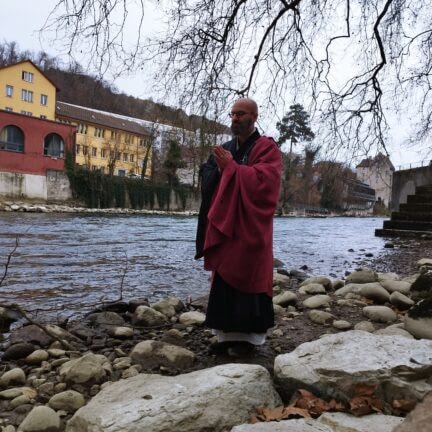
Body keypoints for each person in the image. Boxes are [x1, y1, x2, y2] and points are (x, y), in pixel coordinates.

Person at [195, 97, 282, 356]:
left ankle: (248, 341)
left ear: (254, 117)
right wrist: (214, 170)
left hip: (250, 228)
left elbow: (266, 184)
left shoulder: (267, 148)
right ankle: (225, 335)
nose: (235, 119)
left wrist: (232, 168)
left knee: (249, 279)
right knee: (224, 278)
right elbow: (211, 184)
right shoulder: (226, 147)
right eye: (232, 114)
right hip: (227, 228)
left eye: (241, 114)